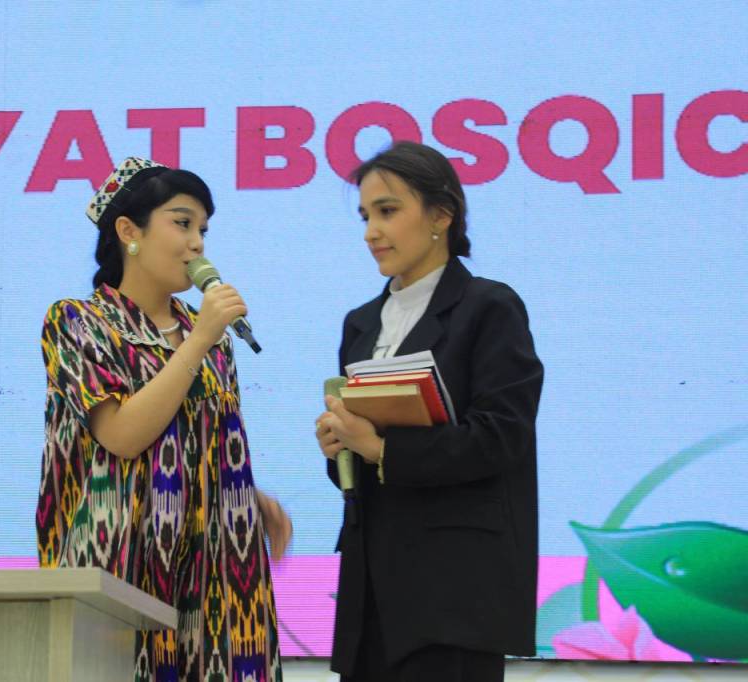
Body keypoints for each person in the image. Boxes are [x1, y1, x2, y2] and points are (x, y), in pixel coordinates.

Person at [37, 157, 290, 681]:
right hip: (121, 565)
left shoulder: (210, 337)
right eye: (182, 223)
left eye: (203, 230)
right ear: (129, 231)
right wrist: (199, 341)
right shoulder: (77, 321)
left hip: (214, 571)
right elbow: (122, 436)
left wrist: (245, 495)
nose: (197, 244)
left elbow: (200, 440)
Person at [314, 142, 543, 682]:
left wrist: (381, 448)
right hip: (371, 590)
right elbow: (360, 465)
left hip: (455, 593)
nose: (372, 231)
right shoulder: (360, 323)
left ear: (442, 215)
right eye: (366, 216)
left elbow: (501, 437)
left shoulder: (488, 307)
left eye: (388, 211)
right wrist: (340, 445)